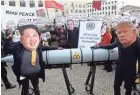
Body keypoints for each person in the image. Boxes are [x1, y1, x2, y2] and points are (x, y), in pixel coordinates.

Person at [7, 25, 62, 95]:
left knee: (36, 89)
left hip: (34, 74)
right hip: (23, 74)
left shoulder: (37, 46)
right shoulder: (17, 47)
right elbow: (7, 49)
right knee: (25, 90)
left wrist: (56, 48)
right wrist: (8, 39)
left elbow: (46, 48)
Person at [91, 21, 140, 95]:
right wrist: (98, 46)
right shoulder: (120, 38)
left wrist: (139, 72)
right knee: (116, 86)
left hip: (131, 68)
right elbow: (110, 46)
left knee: (128, 87)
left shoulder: (137, 40)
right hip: (120, 67)